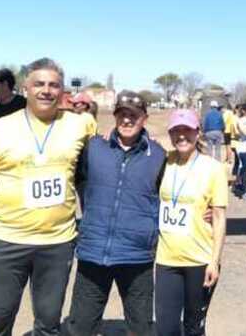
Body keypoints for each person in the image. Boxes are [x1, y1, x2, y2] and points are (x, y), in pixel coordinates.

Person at [0, 58, 88, 336]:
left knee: (49, 323)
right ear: (25, 87)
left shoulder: (80, 126)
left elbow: (91, 176)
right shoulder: (0, 128)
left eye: (54, 85)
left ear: (62, 90)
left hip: (57, 243)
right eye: (39, 83)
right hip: (7, 242)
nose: (46, 90)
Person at [65, 91, 166, 336]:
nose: (127, 120)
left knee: (141, 327)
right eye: (122, 114)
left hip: (137, 255)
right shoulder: (93, 148)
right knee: (80, 326)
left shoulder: (159, 155)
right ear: (115, 115)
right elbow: (72, 180)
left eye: (134, 115)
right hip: (94, 252)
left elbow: (175, 195)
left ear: (145, 118)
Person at [155, 109, 227, 336]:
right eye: (176, 131)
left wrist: (214, 262)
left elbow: (218, 217)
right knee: (166, 328)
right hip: (166, 259)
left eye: (187, 130)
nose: (181, 136)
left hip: (200, 260)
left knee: (194, 328)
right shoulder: (163, 161)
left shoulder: (213, 168)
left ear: (198, 133)